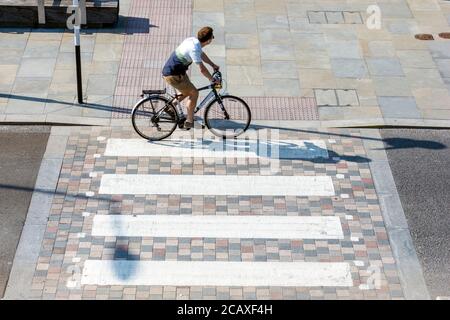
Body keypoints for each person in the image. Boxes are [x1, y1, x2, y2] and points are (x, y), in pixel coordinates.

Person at [162, 26, 220, 129]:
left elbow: (201, 54)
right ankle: (189, 121)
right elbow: (202, 69)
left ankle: (170, 106)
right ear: (209, 40)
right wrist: (212, 79)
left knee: (188, 90)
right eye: (212, 37)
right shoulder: (194, 49)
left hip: (177, 72)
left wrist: (213, 65)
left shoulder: (193, 40)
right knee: (194, 93)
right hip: (173, 75)